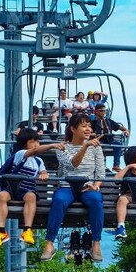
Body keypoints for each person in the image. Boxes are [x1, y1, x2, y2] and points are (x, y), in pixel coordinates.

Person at [40, 112, 106, 262]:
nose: (88, 129)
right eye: (84, 126)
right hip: (67, 186)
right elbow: (72, 164)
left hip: (87, 186)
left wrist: (96, 185)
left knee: (96, 201)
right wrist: (86, 146)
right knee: (59, 201)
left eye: (89, 126)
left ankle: (96, 243)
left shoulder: (96, 148)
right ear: (73, 129)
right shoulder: (62, 148)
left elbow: (100, 172)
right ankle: (49, 244)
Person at [0, 129, 63, 248]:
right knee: (1, 196)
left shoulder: (38, 161)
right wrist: (52, 145)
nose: (36, 145)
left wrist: (44, 174)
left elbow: (43, 171)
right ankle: (1, 231)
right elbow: (34, 150)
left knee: (31, 197)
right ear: (24, 143)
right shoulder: (20, 154)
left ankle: (27, 230)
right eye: (32, 142)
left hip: (26, 190)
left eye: (37, 142)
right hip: (11, 189)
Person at [91, 103, 129, 171]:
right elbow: (89, 132)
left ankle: (116, 165)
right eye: (101, 111)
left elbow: (120, 127)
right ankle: (98, 165)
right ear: (96, 111)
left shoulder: (109, 121)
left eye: (104, 111)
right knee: (97, 146)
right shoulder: (93, 122)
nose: (103, 112)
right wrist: (93, 134)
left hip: (109, 139)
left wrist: (126, 131)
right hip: (99, 139)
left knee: (118, 145)